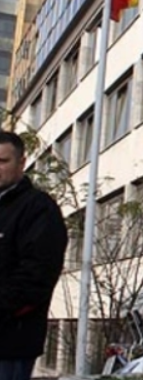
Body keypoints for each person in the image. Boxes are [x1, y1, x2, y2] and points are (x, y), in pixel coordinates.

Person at [0, 131, 69, 380]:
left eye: (2, 161)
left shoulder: (38, 208)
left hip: (10, 344)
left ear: (22, 163)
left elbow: (36, 276)